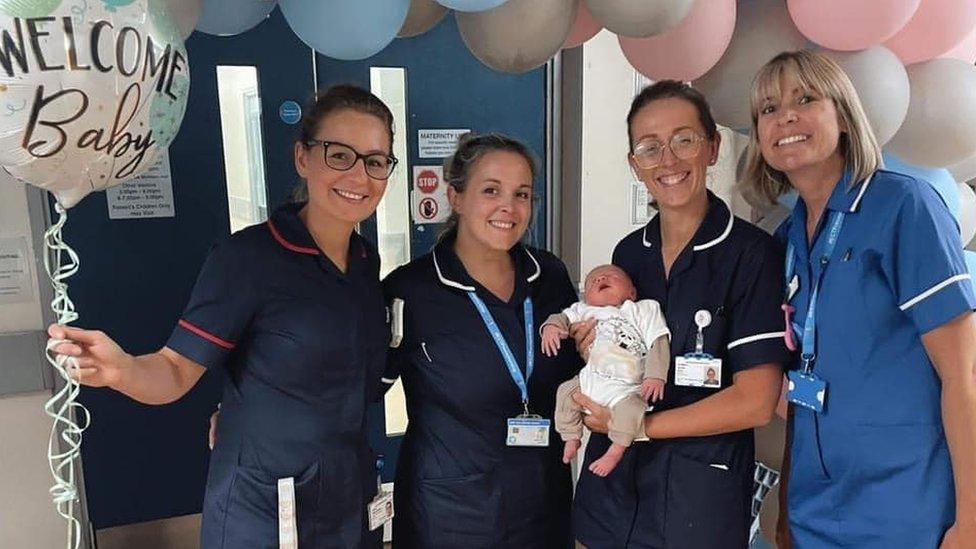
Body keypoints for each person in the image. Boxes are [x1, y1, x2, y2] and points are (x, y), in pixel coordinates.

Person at [47, 85, 398, 548]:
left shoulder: (366, 263)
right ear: (303, 158)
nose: (359, 174)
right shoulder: (249, 259)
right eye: (339, 155)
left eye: (375, 160)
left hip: (348, 498)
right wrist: (123, 370)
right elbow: (174, 369)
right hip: (267, 508)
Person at [742, 50, 976, 548]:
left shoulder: (904, 208)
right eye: (767, 108)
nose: (785, 116)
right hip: (816, 509)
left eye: (805, 99)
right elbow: (802, 381)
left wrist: (972, 521)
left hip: (908, 507)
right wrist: (786, 508)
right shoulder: (786, 241)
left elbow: (964, 374)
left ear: (844, 116)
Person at [570, 80, 791, 549]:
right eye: (649, 148)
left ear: (712, 147)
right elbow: (618, 348)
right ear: (635, 164)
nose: (667, 160)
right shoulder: (629, 254)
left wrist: (640, 427)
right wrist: (590, 346)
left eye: (684, 139)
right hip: (611, 492)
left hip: (697, 502)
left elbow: (756, 400)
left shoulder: (751, 255)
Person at [381, 133, 580, 548]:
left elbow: (577, 372)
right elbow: (353, 387)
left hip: (542, 503)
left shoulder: (549, 277)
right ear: (455, 196)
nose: (508, 207)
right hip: (449, 516)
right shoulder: (412, 291)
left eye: (521, 194)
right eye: (491, 190)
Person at [542, 264, 670, 477]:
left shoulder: (643, 310)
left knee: (633, 411)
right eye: (593, 281)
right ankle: (571, 436)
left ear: (632, 292)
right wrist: (551, 328)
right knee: (565, 392)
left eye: (610, 276)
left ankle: (616, 450)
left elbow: (659, 341)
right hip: (591, 379)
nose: (600, 279)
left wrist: (656, 375)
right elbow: (561, 318)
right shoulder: (583, 310)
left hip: (626, 387)